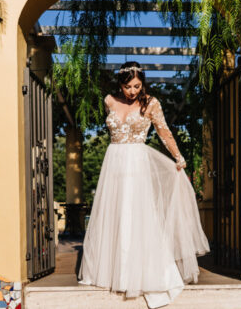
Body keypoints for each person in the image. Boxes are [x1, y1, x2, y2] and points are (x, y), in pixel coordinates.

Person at [78, 61, 210, 308]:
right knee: (114, 214)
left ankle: (141, 271)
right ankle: (112, 272)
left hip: (137, 163)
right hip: (114, 162)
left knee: (138, 215)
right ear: (120, 84)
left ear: (142, 83)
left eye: (137, 85)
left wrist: (178, 158)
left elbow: (164, 132)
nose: (132, 91)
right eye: (128, 86)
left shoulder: (151, 103)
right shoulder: (108, 100)